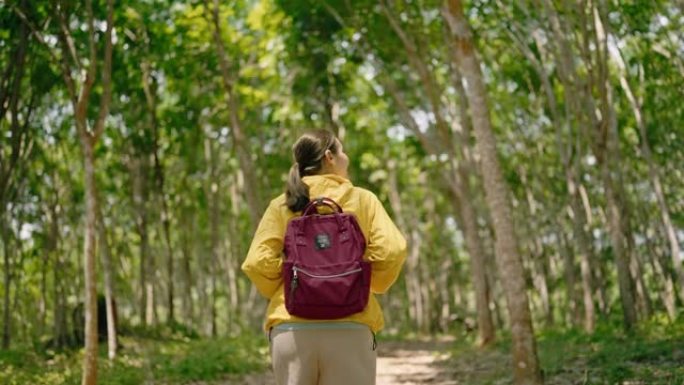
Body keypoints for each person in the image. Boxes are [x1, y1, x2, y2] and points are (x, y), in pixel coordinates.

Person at [242, 129, 407, 385]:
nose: (346, 157)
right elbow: (392, 251)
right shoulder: (363, 200)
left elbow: (256, 262)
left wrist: (291, 284)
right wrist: (362, 283)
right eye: (342, 151)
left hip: (291, 328)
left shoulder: (282, 205)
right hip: (351, 327)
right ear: (329, 156)